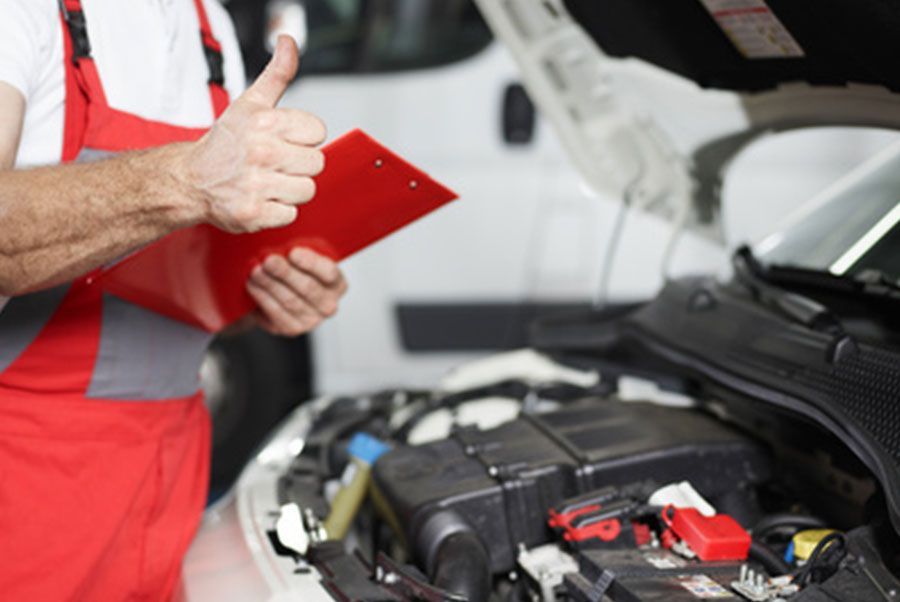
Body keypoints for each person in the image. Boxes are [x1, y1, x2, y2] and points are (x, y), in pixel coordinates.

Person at [0, 0, 346, 599]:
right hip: (25, 474)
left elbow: (177, 288)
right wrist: (184, 178)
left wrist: (258, 298)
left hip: (170, 474)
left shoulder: (208, 27)